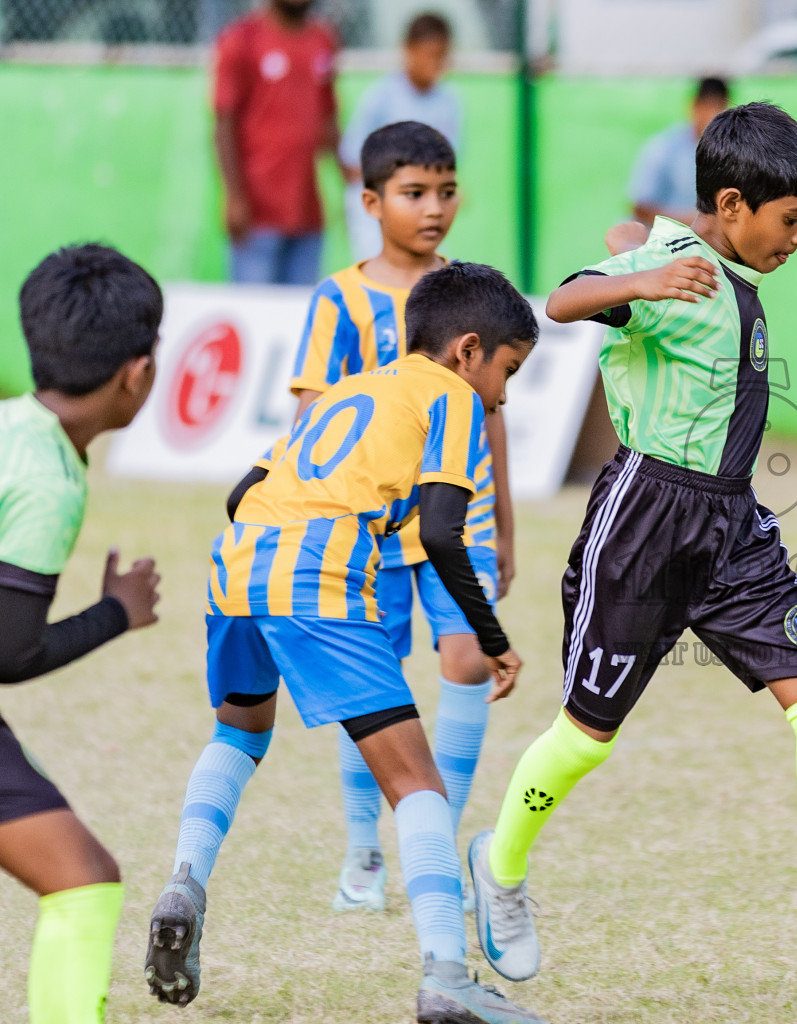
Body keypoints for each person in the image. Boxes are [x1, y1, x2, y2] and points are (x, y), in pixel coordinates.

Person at [467, 102, 797, 998]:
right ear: (733, 206)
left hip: (733, 528)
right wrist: (641, 282)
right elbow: (564, 299)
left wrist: (649, 252)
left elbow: (642, 237)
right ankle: (499, 868)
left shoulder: (710, 255)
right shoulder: (673, 271)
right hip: (644, 525)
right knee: (586, 738)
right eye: (794, 219)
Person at [143, 262, 544, 1024]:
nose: (502, 395)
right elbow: (441, 531)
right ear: (468, 351)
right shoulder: (452, 398)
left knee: (239, 732)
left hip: (237, 565)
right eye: (508, 370)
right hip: (316, 573)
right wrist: (491, 635)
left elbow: (241, 490)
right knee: (418, 786)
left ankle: (184, 883)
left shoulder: (352, 389)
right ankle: (446, 979)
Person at [289, 120, 515, 913]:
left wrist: (506, 527)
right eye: (415, 193)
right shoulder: (340, 300)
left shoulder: (473, 293)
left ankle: (437, 848)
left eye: (446, 191)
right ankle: (363, 852)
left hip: (464, 521)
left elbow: (493, 417)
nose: (434, 208)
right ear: (372, 200)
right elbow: (314, 418)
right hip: (367, 531)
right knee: (372, 686)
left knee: (468, 663)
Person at [0, 244, 163, 1024]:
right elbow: (9, 654)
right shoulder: (48, 479)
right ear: (136, 373)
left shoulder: (11, 427)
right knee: (83, 879)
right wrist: (118, 613)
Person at [213, 0, 340, 285]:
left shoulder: (323, 38)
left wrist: (349, 177)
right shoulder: (241, 39)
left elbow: (328, 117)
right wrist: (234, 195)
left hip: (308, 213)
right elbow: (224, 124)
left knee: (298, 315)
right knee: (254, 313)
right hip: (257, 213)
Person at [340, 13, 463, 263]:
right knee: (381, 273)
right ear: (408, 50)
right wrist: (395, 191)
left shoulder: (450, 102)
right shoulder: (381, 97)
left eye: (442, 56)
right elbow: (351, 158)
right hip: (381, 208)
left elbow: (449, 158)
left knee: (425, 277)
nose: (436, 63)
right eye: (430, 54)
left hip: (427, 204)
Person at [626, 76, 730, 227]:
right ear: (694, 105)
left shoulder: (728, 152)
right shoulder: (664, 147)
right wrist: (693, 222)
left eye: (719, 108)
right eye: (708, 107)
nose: (712, 115)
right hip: (659, 243)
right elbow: (639, 208)